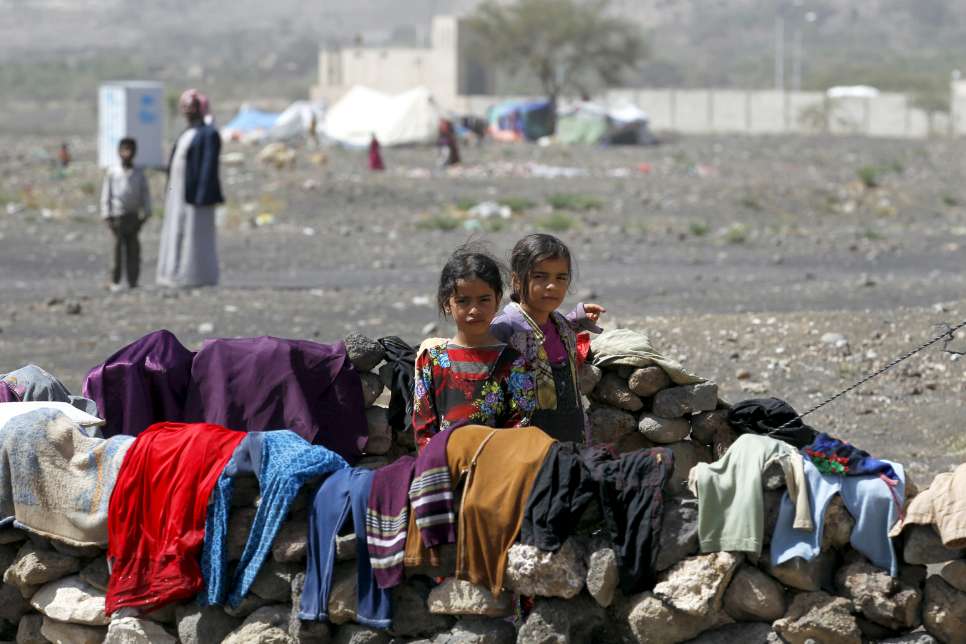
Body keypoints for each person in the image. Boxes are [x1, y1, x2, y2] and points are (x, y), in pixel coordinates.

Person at [412, 246, 535, 450]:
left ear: (497, 300)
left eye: (484, 299)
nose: (474, 310)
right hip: (443, 469)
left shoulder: (515, 364)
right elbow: (423, 428)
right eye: (463, 301)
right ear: (446, 304)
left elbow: (520, 427)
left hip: (498, 471)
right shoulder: (432, 360)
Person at [490, 234, 605, 443]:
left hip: (570, 437)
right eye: (540, 277)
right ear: (516, 281)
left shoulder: (561, 325)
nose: (552, 286)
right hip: (525, 444)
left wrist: (578, 319)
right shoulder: (504, 329)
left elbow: (549, 337)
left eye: (560, 278)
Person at [156, 89, 223, 288]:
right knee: (176, 231)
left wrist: (201, 195)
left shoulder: (209, 134)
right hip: (178, 195)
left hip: (196, 197)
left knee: (196, 234)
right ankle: (175, 273)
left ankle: (197, 276)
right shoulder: (187, 133)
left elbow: (208, 166)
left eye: (191, 107)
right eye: (184, 107)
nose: (187, 111)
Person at [100, 137, 151, 291]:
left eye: (130, 150)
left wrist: (146, 214)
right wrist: (106, 215)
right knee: (116, 250)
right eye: (124, 150)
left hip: (133, 216)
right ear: (118, 152)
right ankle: (115, 281)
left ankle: (133, 281)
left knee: (133, 250)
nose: (127, 153)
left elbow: (145, 194)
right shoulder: (113, 172)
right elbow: (106, 195)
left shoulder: (139, 173)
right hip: (117, 216)